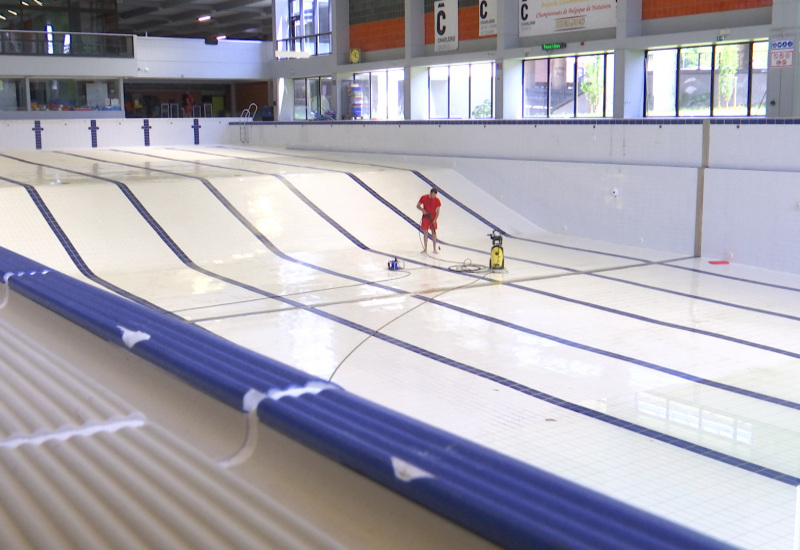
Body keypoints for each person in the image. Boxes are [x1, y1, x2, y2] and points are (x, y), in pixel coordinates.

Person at [417, 188, 441, 253]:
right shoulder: (424, 197)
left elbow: (438, 211)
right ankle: (425, 248)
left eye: (435, 195)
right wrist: (422, 210)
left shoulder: (437, 200)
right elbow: (418, 205)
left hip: (433, 217)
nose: (434, 197)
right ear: (430, 193)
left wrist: (435, 219)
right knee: (425, 232)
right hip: (426, 217)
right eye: (433, 195)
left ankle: (434, 249)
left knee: (434, 233)